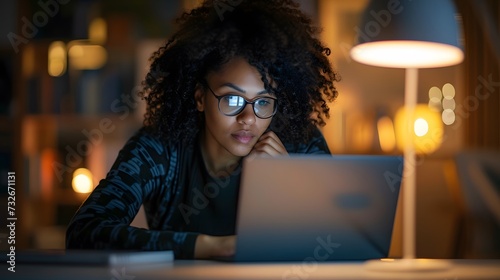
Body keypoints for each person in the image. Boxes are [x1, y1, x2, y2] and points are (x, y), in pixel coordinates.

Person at [66, 0, 340, 260]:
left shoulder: (302, 145)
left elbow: (339, 241)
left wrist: (292, 186)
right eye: (232, 99)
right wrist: (211, 246)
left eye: (264, 102)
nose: (248, 118)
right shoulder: (158, 148)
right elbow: (84, 232)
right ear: (199, 97)